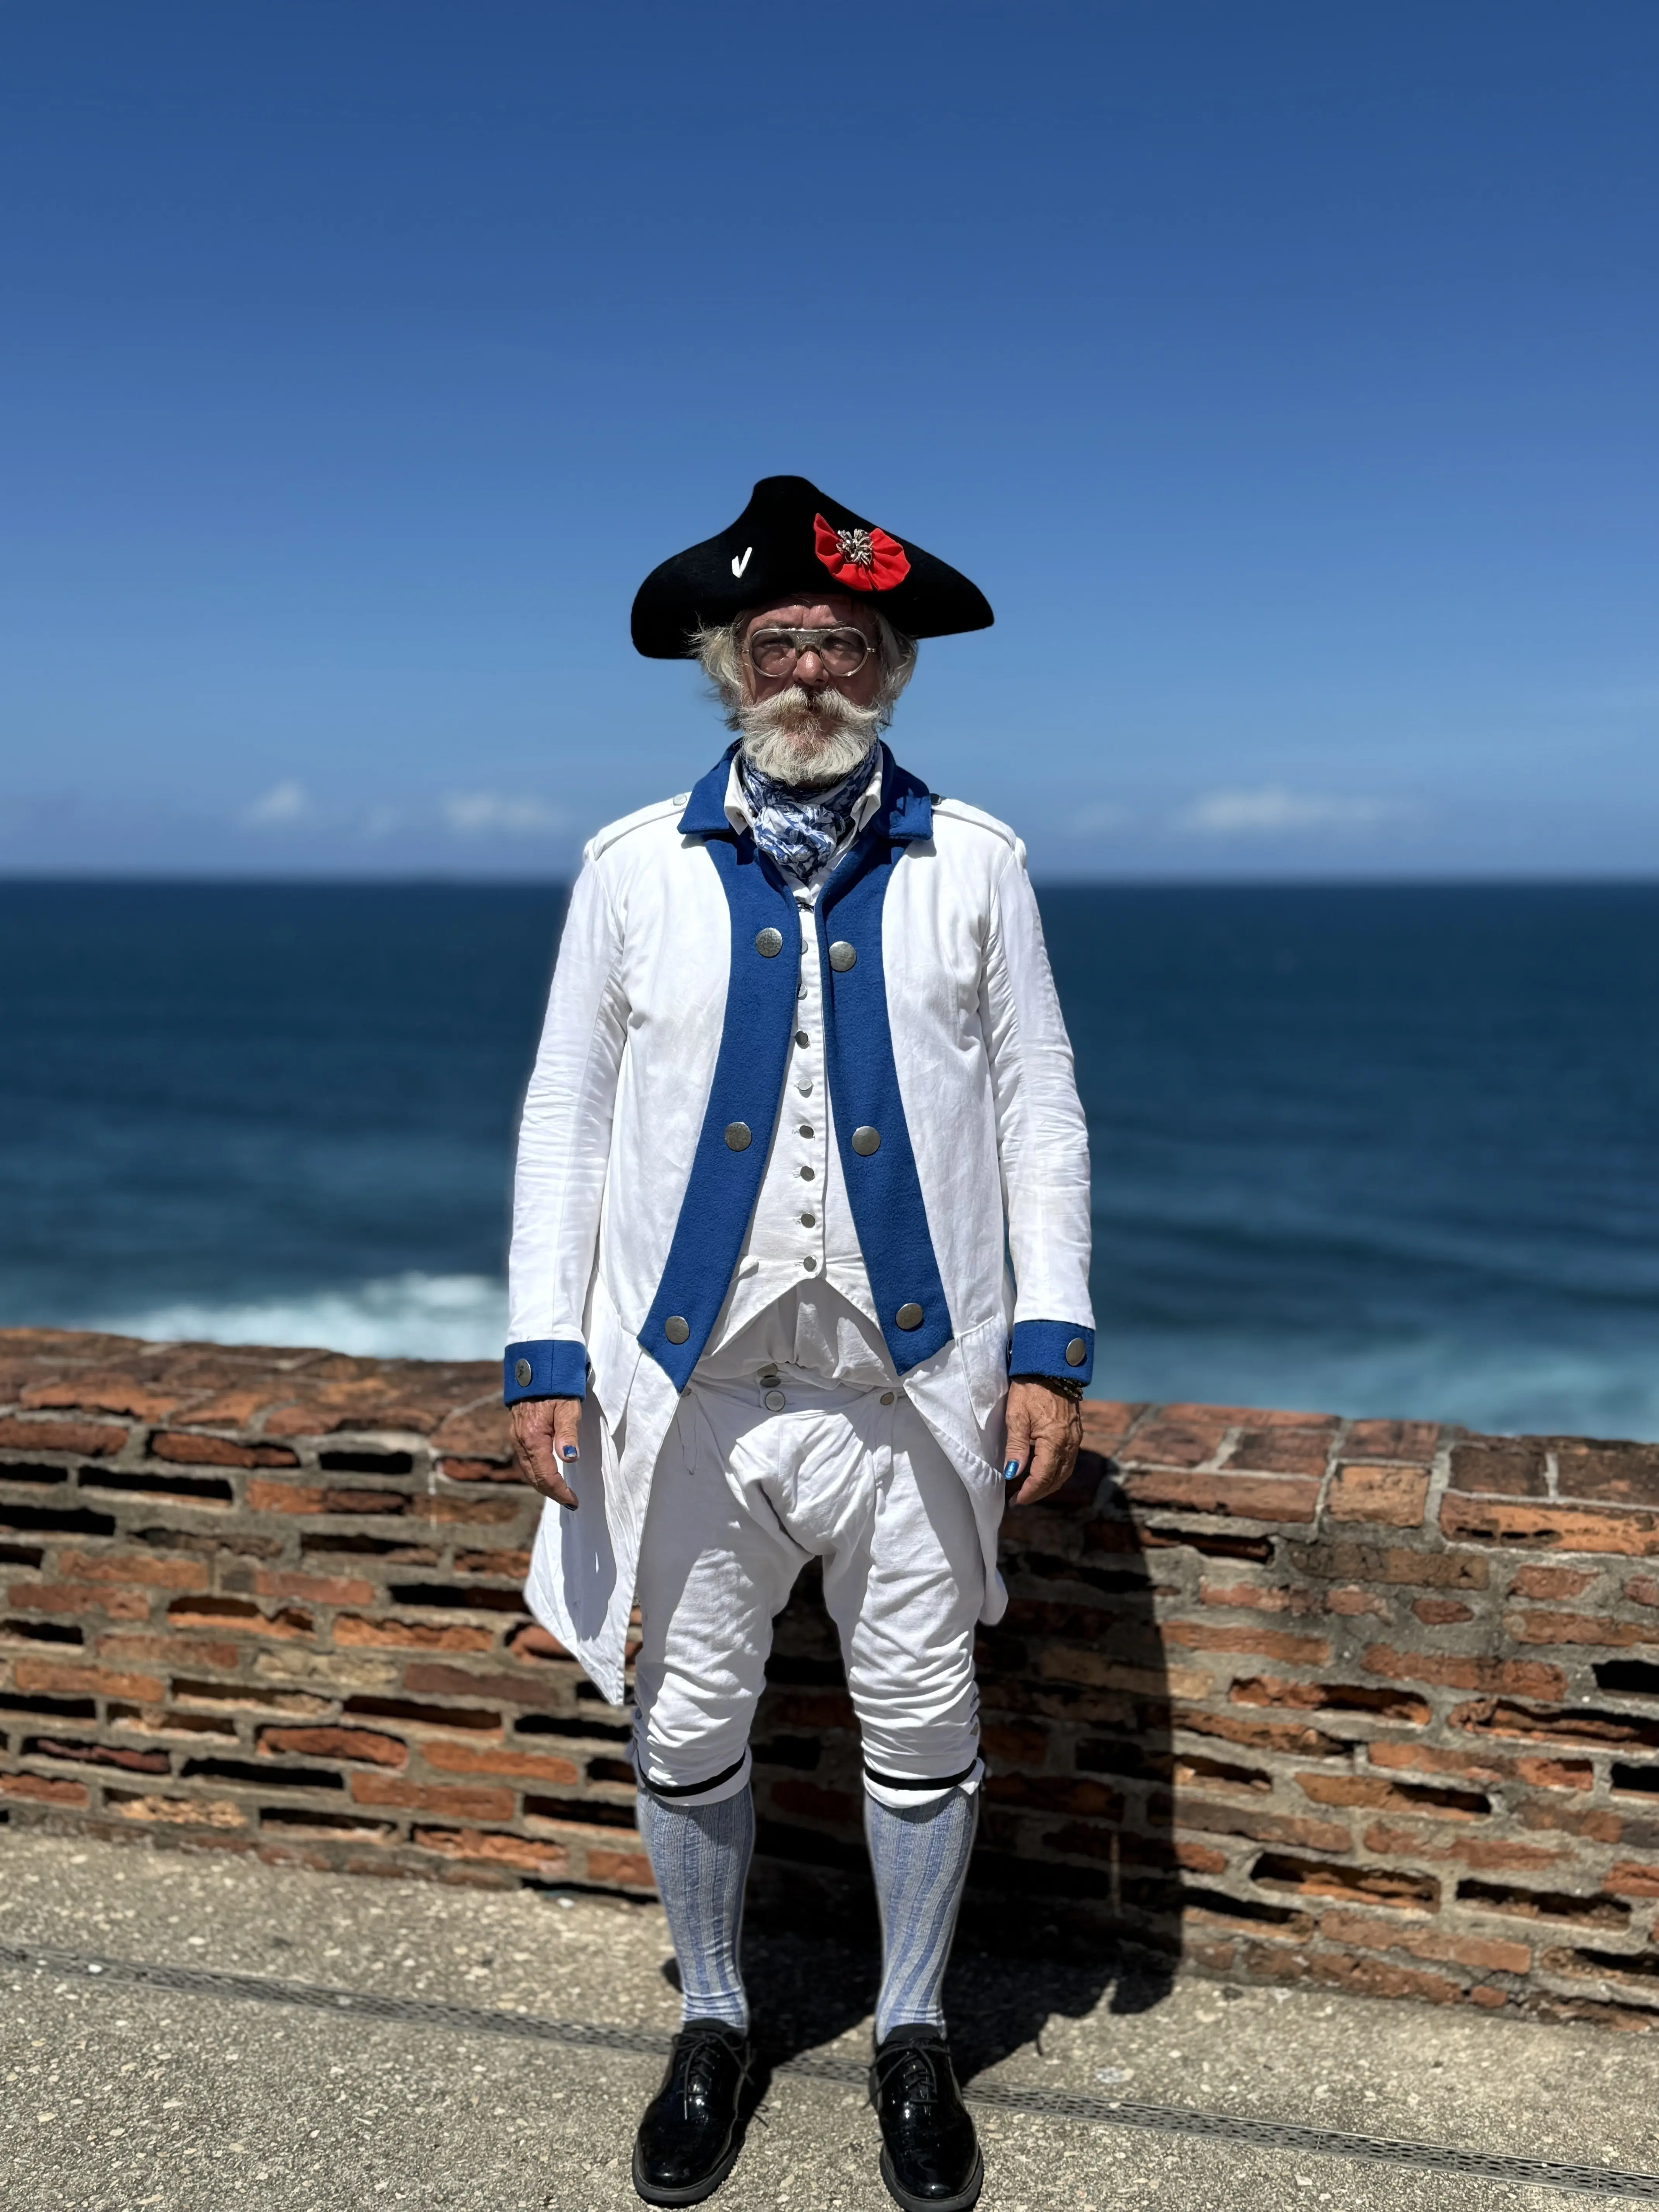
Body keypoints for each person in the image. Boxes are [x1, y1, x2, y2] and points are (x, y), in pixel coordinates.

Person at [505, 475, 1093, 2210]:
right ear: (729, 666)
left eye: (843, 642)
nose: (812, 671)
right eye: (779, 642)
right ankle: (714, 2015)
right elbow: (566, 1117)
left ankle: (913, 2031)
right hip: (689, 1388)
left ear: (891, 668)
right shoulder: (630, 866)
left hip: (910, 1389)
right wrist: (545, 1353)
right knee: (687, 1711)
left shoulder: (978, 862)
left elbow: (1040, 1112)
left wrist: (1048, 1348)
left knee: (921, 1712)